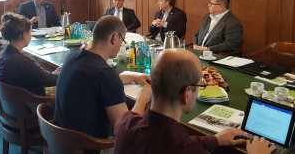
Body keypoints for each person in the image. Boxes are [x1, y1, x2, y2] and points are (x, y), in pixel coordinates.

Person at [114, 48, 276, 154]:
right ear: (186, 94)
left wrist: (215, 139)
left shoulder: (124, 122)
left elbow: (179, 142)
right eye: (199, 85)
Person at [54, 15, 151, 154]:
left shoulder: (74, 55)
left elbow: (97, 83)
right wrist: (143, 98)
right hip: (89, 146)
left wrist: (133, 76)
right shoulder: (104, 74)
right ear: (115, 38)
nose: (121, 46)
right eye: (122, 41)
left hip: (60, 141)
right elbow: (126, 131)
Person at [0, 13, 60, 96]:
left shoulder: (3, 53)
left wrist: (53, 74)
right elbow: (53, 81)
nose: (31, 35)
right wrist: (66, 67)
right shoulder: (22, 61)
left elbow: (46, 78)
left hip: (12, 105)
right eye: (31, 32)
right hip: (34, 105)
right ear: (24, 34)